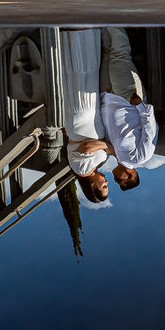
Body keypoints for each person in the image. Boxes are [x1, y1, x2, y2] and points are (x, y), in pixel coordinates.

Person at [98, 28, 157, 190]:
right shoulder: (141, 157)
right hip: (127, 99)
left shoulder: (114, 154)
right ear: (130, 176)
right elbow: (150, 130)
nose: (114, 178)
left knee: (106, 54)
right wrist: (140, 106)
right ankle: (113, 17)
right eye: (119, 180)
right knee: (120, 55)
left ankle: (101, 20)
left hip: (107, 96)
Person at [60, 28, 109, 202]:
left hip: (80, 115)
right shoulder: (97, 165)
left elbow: (87, 147)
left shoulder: (81, 169)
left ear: (93, 187)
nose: (106, 182)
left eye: (103, 186)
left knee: (77, 76)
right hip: (90, 114)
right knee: (88, 74)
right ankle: (86, 33)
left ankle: (73, 34)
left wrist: (108, 147)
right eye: (107, 186)